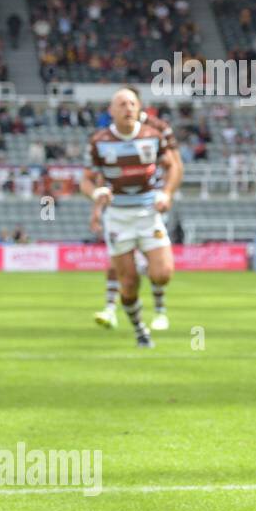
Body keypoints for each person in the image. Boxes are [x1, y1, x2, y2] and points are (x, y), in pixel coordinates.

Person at [81, 88, 183, 348]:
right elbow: (86, 180)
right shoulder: (99, 142)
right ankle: (141, 331)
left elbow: (172, 167)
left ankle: (158, 306)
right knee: (128, 283)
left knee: (163, 274)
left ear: (139, 109)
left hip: (149, 215)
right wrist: (96, 194)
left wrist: (167, 193)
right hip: (117, 219)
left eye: (132, 103)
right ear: (111, 111)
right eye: (121, 104)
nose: (127, 108)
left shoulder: (153, 135)